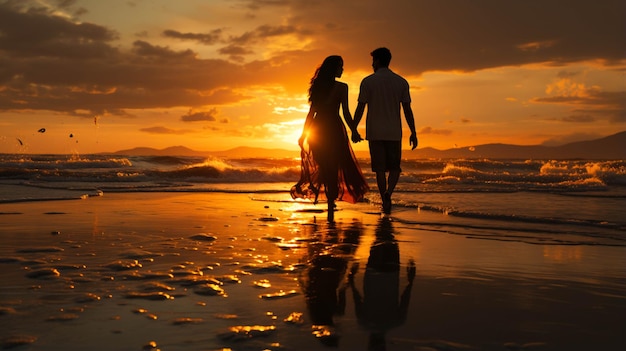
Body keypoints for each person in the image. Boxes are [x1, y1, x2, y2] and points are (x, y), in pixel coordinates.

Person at [291, 55, 369, 222]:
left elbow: (312, 114)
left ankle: (330, 199)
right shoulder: (342, 87)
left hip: (318, 129)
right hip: (333, 128)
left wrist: (304, 134)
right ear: (333, 68)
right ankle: (331, 200)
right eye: (340, 66)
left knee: (326, 167)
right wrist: (353, 130)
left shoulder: (319, 86)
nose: (342, 69)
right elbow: (345, 113)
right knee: (331, 167)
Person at [352, 47, 417, 214]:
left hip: (375, 132)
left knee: (379, 170)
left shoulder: (368, 81)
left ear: (379, 61)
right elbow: (407, 110)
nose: (372, 64)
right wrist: (413, 132)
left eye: (373, 61)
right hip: (394, 132)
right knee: (395, 168)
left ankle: (384, 200)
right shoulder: (401, 82)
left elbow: (360, 108)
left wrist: (353, 128)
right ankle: (389, 193)